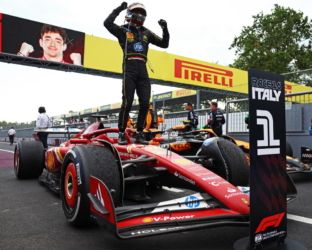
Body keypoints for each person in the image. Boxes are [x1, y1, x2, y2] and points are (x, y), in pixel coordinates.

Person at [104, 2, 169, 144]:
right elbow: (107, 23)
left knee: (145, 103)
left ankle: (139, 133)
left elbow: (164, 43)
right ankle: (121, 133)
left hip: (143, 69)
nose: (139, 14)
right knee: (127, 102)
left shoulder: (146, 32)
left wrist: (165, 28)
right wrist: (119, 9)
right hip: (129, 67)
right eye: (136, 12)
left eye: (141, 12)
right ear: (129, 14)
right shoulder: (123, 30)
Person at [17, 24, 81, 65]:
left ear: (64, 46)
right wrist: (21, 54)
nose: (52, 44)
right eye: (48, 39)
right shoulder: (30, 63)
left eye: (57, 41)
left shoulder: (71, 67)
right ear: (41, 42)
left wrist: (78, 65)